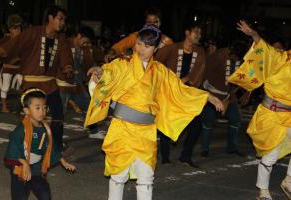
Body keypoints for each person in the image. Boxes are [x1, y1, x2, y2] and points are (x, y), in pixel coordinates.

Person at [85, 24, 224, 200]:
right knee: (118, 176)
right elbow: (109, 72)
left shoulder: (160, 71)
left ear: (156, 48)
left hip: (146, 132)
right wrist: (99, 71)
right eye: (139, 44)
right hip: (123, 129)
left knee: (146, 178)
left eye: (147, 46)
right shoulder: (123, 63)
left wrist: (207, 97)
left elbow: (180, 89)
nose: (141, 49)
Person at [0, 5, 73, 153]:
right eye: (60, 19)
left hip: (50, 84)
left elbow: (66, 58)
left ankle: (56, 146)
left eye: (63, 20)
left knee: (58, 115)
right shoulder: (33, 33)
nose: (62, 23)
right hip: (31, 84)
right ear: (50, 18)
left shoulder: (61, 40)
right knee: (31, 118)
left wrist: (67, 67)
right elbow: (14, 43)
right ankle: (26, 146)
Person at [228, 20, 291, 200]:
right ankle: (263, 191)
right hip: (271, 114)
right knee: (270, 157)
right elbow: (262, 46)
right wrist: (253, 34)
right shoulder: (278, 57)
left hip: (289, 116)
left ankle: (289, 181)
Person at [5, 88, 76, 200]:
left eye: (44, 107)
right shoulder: (21, 130)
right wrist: (25, 164)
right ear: (27, 110)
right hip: (21, 167)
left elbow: (50, 147)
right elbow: (14, 147)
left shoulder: (45, 128)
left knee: (44, 194)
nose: (42, 111)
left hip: (37, 167)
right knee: (20, 195)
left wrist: (63, 161)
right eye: (37, 108)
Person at [155, 21, 206, 167]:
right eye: (196, 32)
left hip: (188, 93)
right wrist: (167, 81)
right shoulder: (171, 48)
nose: (199, 35)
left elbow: (198, 73)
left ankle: (186, 156)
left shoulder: (200, 52)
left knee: (196, 126)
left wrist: (187, 80)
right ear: (187, 32)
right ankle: (165, 157)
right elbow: (156, 64)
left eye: (200, 33)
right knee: (167, 122)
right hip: (170, 92)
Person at [200, 39, 247, 158]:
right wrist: (205, 93)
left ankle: (232, 147)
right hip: (213, 95)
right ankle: (204, 149)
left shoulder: (241, 60)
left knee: (235, 118)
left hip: (230, 96)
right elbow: (203, 74)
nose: (237, 60)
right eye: (236, 57)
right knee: (208, 121)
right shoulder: (218, 56)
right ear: (232, 53)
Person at [104, 6, 173, 62]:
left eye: (155, 22)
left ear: (160, 22)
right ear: (145, 23)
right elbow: (118, 47)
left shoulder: (167, 42)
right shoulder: (136, 36)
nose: (152, 25)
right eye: (149, 22)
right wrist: (111, 52)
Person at [0, 14, 22, 112]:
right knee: (5, 87)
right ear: (10, 29)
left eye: (19, 28)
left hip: (19, 67)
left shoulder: (23, 39)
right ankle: (4, 106)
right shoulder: (5, 40)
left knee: (24, 85)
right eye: (15, 28)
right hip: (8, 66)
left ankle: (22, 105)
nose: (17, 30)